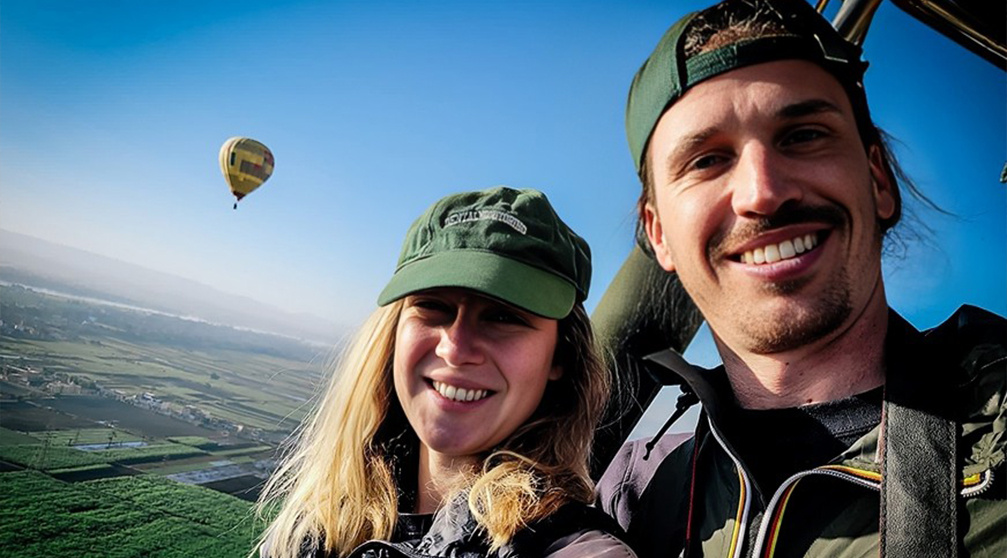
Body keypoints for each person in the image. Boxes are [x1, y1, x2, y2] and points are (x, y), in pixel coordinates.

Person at [594, 0, 1006, 556]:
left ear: (879, 181)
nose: (762, 192)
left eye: (804, 135)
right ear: (659, 234)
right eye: (706, 161)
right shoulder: (630, 497)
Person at [257, 186, 636, 558]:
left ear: (560, 358)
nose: (454, 349)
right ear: (393, 333)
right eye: (432, 306)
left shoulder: (571, 546)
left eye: (503, 317)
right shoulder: (314, 527)